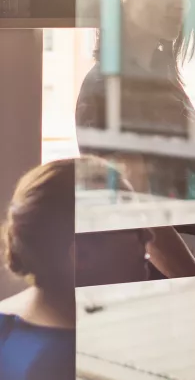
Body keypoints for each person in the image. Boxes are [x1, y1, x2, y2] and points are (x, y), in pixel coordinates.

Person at [75, 0, 195, 279]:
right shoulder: (108, 89)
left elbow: (193, 200)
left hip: (187, 265)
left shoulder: (163, 86)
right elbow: (144, 220)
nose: (182, 3)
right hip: (149, 275)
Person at [0, 158, 153, 380]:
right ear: (79, 254)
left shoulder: (9, 325)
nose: (149, 235)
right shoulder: (72, 365)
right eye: (133, 226)